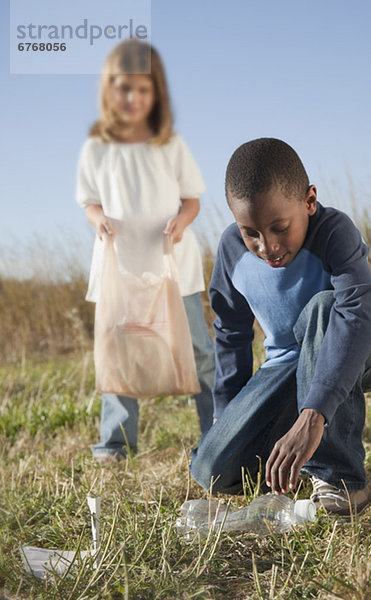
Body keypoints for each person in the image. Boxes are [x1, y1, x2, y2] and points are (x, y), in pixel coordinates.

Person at [190, 138, 371, 515]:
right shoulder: (230, 252)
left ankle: (340, 478)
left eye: (279, 227)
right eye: (250, 232)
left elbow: (357, 313)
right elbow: (231, 333)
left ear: (309, 201)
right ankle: (295, 458)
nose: (267, 246)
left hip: (369, 343)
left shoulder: (334, 230)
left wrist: (313, 415)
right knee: (210, 469)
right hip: (289, 362)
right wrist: (230, 414)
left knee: (323, 309)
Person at [76, 39, 215, 462]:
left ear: (156, 93)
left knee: (200, 352)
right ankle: (115, 443)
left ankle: (216, 434)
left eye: (143, 89)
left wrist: (181, 222)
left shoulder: (169, 144)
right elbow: (89, 201)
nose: (133, 98)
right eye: (123, 88)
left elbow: (192, 198)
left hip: (173, 268)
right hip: (119, 268)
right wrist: (98, 219)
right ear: (109, 90)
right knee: (120, 354)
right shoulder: (97, 148)